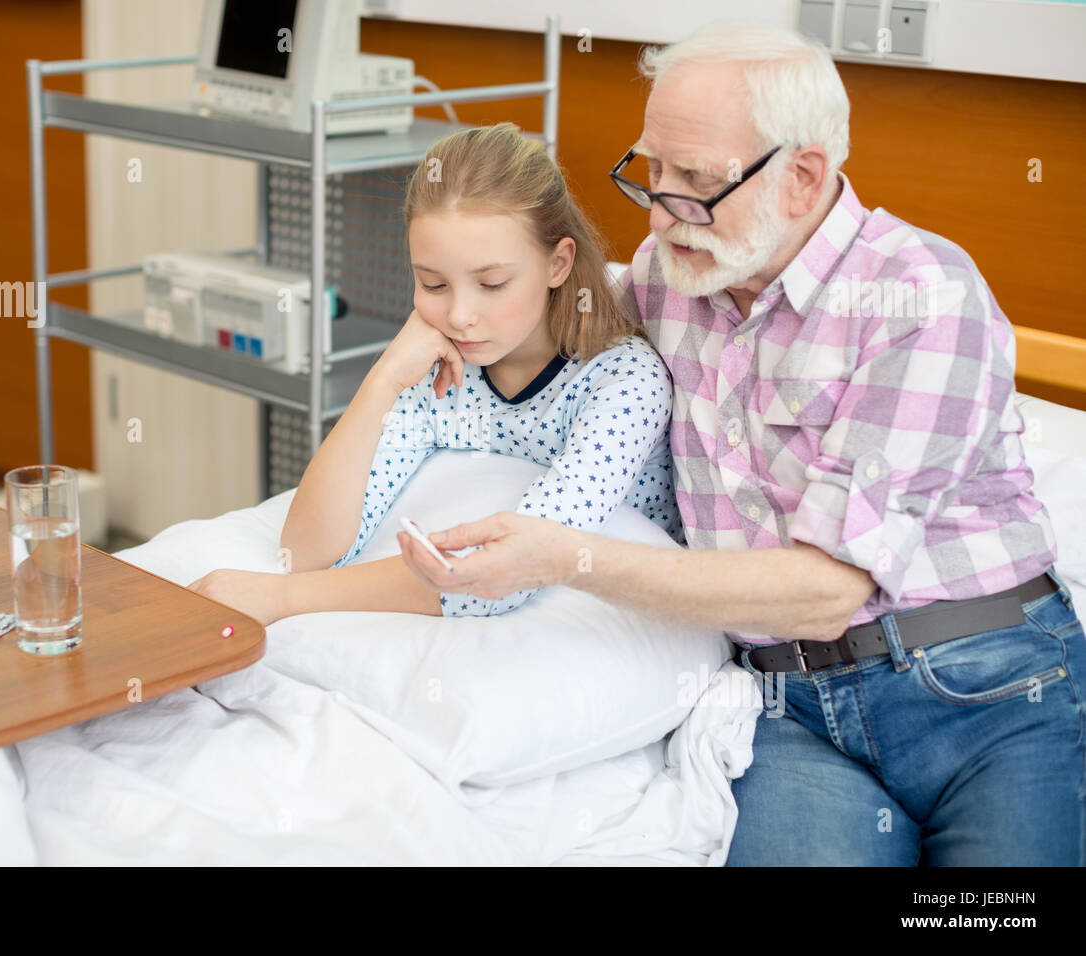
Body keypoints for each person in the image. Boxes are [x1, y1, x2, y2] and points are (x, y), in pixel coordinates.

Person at [395, 23, 1084, 866]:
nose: (660, 210)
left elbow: (827, 589)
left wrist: (563, 557)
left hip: (980, 680)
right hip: (787, 705)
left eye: (695, 181)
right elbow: (530, 306)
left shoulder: (920, 296)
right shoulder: (671, 272)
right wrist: (425, 324)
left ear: (802, 177)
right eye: (651, 170)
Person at [190, 123, 679, 622]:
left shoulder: (623, 383)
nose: (460, 315)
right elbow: (306, 552)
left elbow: (509, 570)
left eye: (491, 284)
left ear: (558, 264)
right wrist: (383, 379)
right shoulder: (440, 372)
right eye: (433, 283)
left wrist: (283, 600)